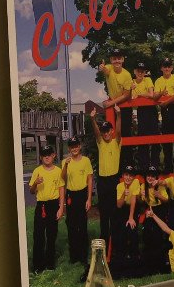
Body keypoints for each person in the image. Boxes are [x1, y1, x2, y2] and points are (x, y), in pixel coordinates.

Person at [27, 143, 63, 272]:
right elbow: (31, 191)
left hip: (53, 205)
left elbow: (61, 189)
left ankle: (50, 264)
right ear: (41, 157)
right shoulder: (37, 171)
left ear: (53, 156)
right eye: (44, 155)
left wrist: (61, 207)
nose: (47, 157)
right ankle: (38, 266)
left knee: (51, 235)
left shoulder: (58, 171)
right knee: (39, 235)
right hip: (41, 205)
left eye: (49, 155)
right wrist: (35, 184)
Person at [61, 136, 93, 273]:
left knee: (82, 225)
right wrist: (66, 165)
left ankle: (83, 256)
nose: (74, 148)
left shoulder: (86, 161)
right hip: (71, 195)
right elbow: (62, 178)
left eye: (76, 146)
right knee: (71, 224)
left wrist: (89, 199)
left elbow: (90, 180)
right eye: (71, 146)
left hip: (82, 194)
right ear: (69, 148)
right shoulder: (65, 161)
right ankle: (74, 256)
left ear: (79, 146)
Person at [94, 117, 124, 260]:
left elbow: (119, 132)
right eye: (103, 131)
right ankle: (104, 252)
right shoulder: (100, 143)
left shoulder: (116, 142)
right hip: (102, 182)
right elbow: (96, 133)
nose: (106, 133)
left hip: (114, 181)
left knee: (115, 215)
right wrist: (92, 119)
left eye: (108, 131)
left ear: (111, 131)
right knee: (104, 217)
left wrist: (118, 115)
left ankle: (116, 249)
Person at [114, 161, 146, 275]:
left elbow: (133, 201)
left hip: (133, 209)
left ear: (133, 177)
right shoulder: (119, 186)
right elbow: (119, 205)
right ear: (123, 176)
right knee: (121, 232)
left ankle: (134, 258)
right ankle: (121, 258)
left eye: (131, 175)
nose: (128, 177)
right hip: (122, 210)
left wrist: (131, 218)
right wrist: (124, 194)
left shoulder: (136, 182)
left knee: (132, 229)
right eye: (126, 175)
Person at [153, 57, 174, 169]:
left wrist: (166, 101)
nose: (167, 68)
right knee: (166, 139)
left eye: (168, 66)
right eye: (164, 66)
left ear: (172, 68)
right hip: (165, 110)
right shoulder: (158, 80)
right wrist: (161, 93)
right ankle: (168, 167)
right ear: (161, 68)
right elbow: (155, 96)